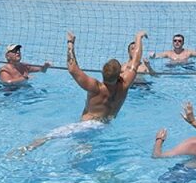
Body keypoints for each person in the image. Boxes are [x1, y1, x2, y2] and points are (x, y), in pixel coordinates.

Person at [12, 30, 147, 155]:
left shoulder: (97, 87)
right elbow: (135, 60)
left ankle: (22, 152)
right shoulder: (125, 84)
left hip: (87, 125)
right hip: (106, 125)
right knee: (83, 147)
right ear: (119, 75)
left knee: (48, 136)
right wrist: (138, 37)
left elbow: (72, 68)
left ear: (102, 73)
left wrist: (70, 43)